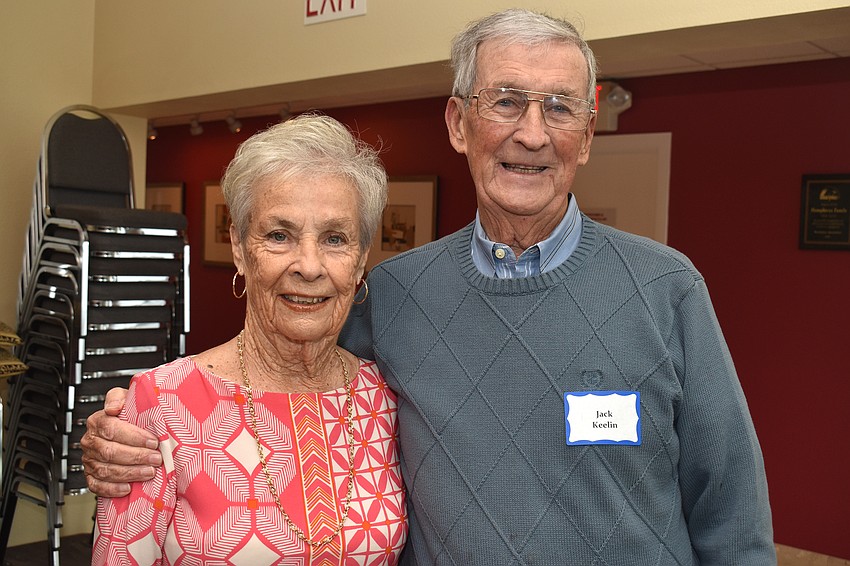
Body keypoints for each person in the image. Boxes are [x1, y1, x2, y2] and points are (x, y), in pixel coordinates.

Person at [83, 9, 775, 565]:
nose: (532, 134)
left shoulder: (667, 288)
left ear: (587, 134)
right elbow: (285, 367)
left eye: (560, 108)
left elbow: (732, 514)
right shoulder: (397, 295)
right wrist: (129, 428)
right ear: (458, 123)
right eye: (504, 101)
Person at [90, 114, 407, 564]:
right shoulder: (161, 406)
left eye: (335, 238)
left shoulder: (385, 401)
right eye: (280, 235)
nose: (310, 265)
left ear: (360, 260)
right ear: (239, 246)